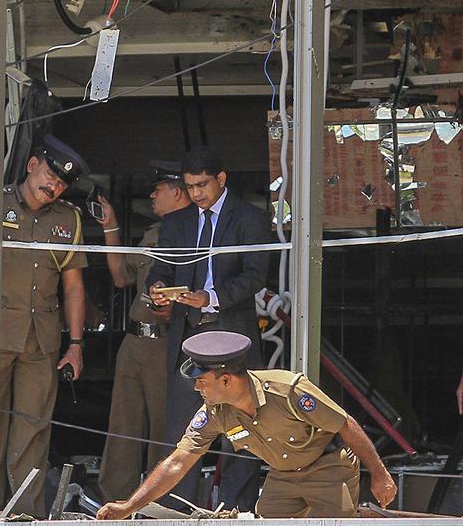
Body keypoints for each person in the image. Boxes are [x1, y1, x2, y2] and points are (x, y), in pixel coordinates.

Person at [96, 331, 398, 519]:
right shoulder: (215, 412)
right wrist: (129, 506)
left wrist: (380, 474)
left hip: (328, 469)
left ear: (226, 379)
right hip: (283, 476)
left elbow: (345, 424)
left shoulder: (287, 390)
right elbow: (177, 462)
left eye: (202, 381)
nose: (197, 388)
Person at [0, 135, 87, 517]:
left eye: (61, 183)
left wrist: (75, 343)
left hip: (41, 341)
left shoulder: (68, 218)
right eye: (50, 175)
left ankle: (27, 515)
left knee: (33, 430)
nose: (53, 186)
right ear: (31, 164)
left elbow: (73, 286)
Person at [146, 145, 270, 511]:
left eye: (203, 184)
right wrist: (156, 291)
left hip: (232, 332)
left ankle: (238, 511)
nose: (197, 193)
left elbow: (255, 276)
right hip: (188, 336)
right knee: (183, 433)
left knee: (241, 431)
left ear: (221, 179)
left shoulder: (250, 218)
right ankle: (175, 511)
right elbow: (161, 268)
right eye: (190, 186)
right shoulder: (177, 222)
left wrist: (211, 296)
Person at [97, 162, 192, 502]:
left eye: (159, 189)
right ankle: (115, 500)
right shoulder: (154, 232)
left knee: (163, 429)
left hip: (166, 343)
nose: (152, 194)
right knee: (123, 424)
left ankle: (158, 503)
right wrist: (111, 227)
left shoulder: (193, 232)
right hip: (135, 340)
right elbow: (122, 276)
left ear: (177, 192)